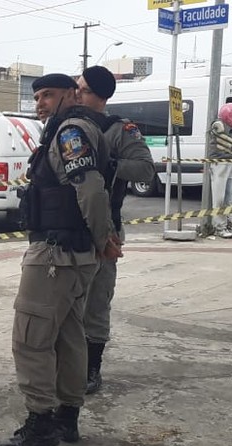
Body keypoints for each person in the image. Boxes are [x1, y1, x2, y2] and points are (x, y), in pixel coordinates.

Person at [0, 73, 121, 446]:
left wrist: (103, 238)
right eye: (37, 97)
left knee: (30, 338)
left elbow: (91, 190)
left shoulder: (70, 131)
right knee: (69, 337)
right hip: (70, 254)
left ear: (70, 94)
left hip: (56, 253)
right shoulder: (74, 128)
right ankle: (67, 416)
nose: (40, 103)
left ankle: (40, 422)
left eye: (48, 95)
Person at [75, 66, 155, 395]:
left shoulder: (119, 130)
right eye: (76, 88)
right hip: (67, 229)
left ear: (100, 96)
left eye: (83, 90)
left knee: (96, 302)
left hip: (105, 227)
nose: (77, 95)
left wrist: (108, 165)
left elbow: (145, 170)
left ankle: (91, 368)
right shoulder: (67, 127)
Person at [208, 102, 232, 238]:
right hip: (220, 163)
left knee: (229, 196)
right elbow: (218, 132)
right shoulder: (219, 125)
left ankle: (226, 224)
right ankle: (219, 227)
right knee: (220, 197)